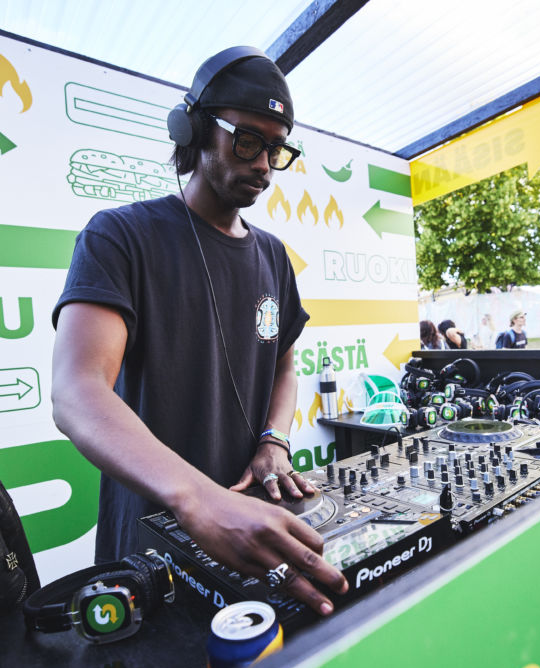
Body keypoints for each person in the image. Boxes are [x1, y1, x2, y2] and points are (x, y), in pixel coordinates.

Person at [50, 47, 347, 615]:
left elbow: (284, 363)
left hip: (254, 531)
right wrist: (201, 499)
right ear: (193, 130)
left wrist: (274, 440)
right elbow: (76, 390)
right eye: (248, 140)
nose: (264, 165)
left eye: (276, 148)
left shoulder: (274, 255)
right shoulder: (119, 236)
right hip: (151, 545)